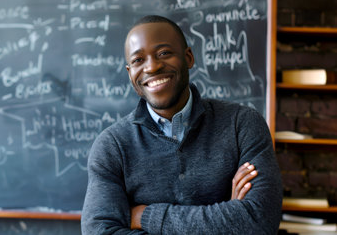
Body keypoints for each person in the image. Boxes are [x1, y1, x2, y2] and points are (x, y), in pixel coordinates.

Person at [81, 15, 282, 234]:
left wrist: (146, 216)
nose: (152, 67)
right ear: (130, 74)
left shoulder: (242, 124)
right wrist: (230, 216)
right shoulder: (112, 147)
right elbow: (100, 231)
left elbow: (259, 222)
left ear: (188, 58)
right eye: (138, 60)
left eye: (164, 53)